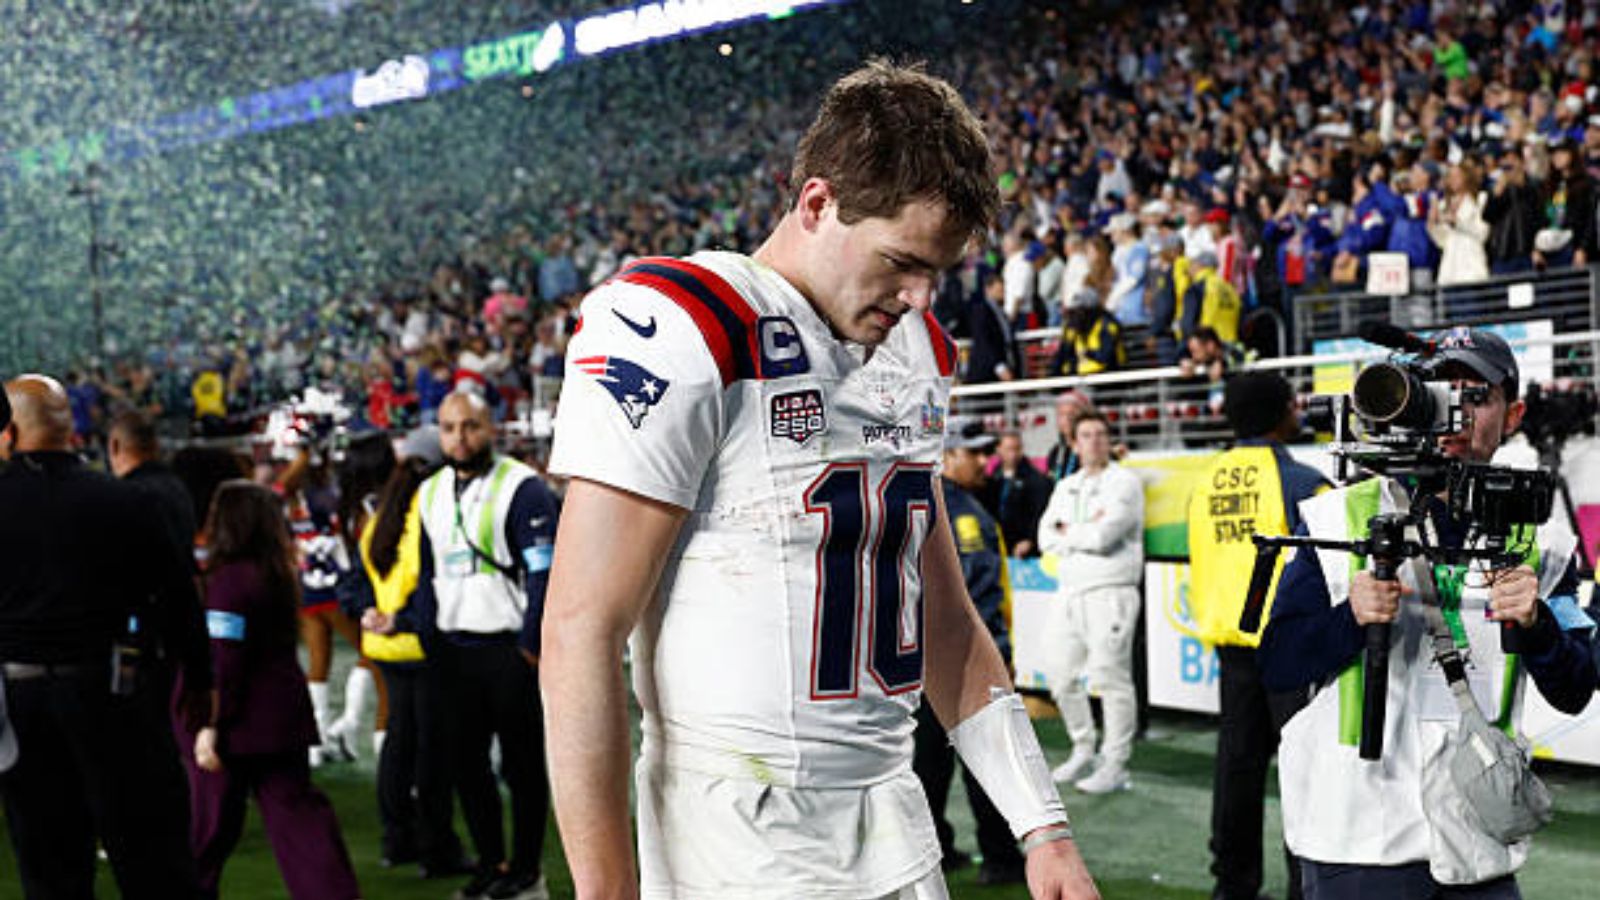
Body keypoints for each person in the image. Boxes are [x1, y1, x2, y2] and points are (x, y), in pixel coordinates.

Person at [543, 60, 1098, 900]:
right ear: (816, 203)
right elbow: (581, 629)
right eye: (901, 261)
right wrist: (605, 890)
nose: (918, 298)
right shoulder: (690, 325)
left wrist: (1043, 826)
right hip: (735, 833)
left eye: (937, 273)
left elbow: (942, 618)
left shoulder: (915, 352)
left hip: (894, 820)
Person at [1259, 328, 1598, 898]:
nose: (1455, 413)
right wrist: (1349, 620)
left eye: (1475, 396)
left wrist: (1539, 627)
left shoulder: (1544, 538)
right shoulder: (1339, 518)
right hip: (1359, 841)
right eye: (1439, 391)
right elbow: (1277, 664)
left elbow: (1577, 686)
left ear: (1512, 413)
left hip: (1479, 848)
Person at [0, 375, 211, 898]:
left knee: (51, 870)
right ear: (71, 427)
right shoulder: (126, 500)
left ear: (8, 432)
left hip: (21, 708)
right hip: (115, 696)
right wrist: (202, 681)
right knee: (153, 861)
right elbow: (179, 597)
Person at [183, 480, 361, 900]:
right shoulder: (276, 574)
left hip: (239, 729)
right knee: (302, 827)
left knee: (206, 836)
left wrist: (210, 724)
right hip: (282, 723)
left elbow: (226, 661)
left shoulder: (228, 582)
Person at [1187, 373, 1327, 900]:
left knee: (1237, 769)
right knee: (1302, 772)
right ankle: (1305, 886)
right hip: (1288, 647)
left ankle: (1232, 886)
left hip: (1230, 644)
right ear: (1281, 413)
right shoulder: (1301, 480)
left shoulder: (1207, 479)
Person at [415, 390, 559, 900]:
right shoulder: (429, 491)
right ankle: (492, 866)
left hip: (508, 649)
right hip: (453, 653)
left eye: (470, 426)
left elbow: (544, 573)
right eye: (450, 427)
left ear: (492, 426)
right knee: (466, 767)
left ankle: (526, 871)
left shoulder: (523, 487)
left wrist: (530, 643)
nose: (460, 437)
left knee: (521, 766)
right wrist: (428, 640)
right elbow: (427, 575)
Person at [912, 417, 1029, 886]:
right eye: (974, 452)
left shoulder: (930, 502)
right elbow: (976, 601)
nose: (985, 460)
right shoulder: (960, 514)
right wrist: (997, 656)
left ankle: (935, 848)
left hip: (922, 662)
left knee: (929, 765)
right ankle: (1000, 856)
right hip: (961, 665)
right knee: (987, 763)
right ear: (948, 456)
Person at [356, 425, 472, 879]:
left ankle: (396, 838)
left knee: (399, 744)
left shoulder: (381, 513)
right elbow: (428, 585)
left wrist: (373, 614)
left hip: (386, 646)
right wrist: (403, 620)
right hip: (423, 644)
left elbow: (359, 581)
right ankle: (437, 847)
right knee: (431, 753)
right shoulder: (429, 510)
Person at [1036, 411, 1145, 795]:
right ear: (1075, 443)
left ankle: (1115, 764)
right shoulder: (1066, 485)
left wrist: (1071, 533)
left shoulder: (1125, 483)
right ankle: (1083, 747)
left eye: (1101, 434)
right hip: (1068, 593)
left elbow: (1105, 536)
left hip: (1110, 592)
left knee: (1111, 679)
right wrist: (1081, 532)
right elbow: (1044, 536)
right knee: (1059, 674)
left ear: (1110, 441)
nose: (1094, 441)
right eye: (1086, 435)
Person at [981, 431, 1053, 560]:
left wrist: (1031, 540)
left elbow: (1041, 514)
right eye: (1009, 449)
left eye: (1017, 449)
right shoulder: (990, 480)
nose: (1013, 454)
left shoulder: (1037, 481)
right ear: (998, 450)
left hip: (1024, 551)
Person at [1050, 288, 1125, 377]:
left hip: (1108, 376)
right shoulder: (1072, 327)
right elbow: (1062, 356)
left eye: (1080, 311)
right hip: (1079, 376)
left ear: (1090, 311)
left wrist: (1088, 354)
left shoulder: (1107, 325)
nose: (1075, 316)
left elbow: (1107, 358)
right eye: (1073, 311)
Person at [965, 270, 1021, 384]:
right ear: (988, 290)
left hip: (1003, 369)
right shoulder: (980, 311)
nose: (1003, 293)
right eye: (999, 290)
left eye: (1003, 290)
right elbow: (983, 340)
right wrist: (999, 367)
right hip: (985, 373)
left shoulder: (1002, 313)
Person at [1043, 390, 1093, 482]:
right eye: (1061, 415)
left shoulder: (1093, 447)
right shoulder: (1056, 451)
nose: (1067, 419)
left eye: (1071, 414)